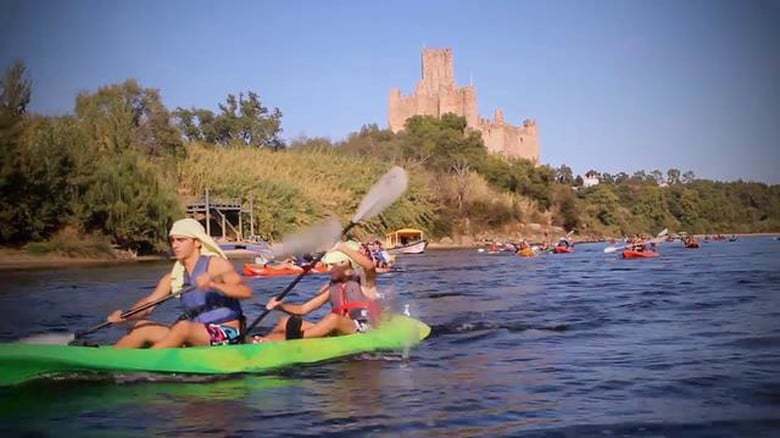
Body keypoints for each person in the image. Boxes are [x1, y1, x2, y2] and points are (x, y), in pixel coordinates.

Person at [108, 218, 252, 348]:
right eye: (172, 241)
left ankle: (149, 360)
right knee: (142, 327)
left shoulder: (216, 264)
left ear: (197, 242)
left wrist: (214, 285)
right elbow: (149, 304)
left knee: (183, 327)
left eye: (181, 240)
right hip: (194, 333)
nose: (175, 245)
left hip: (228, 334)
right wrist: (125, 316)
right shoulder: (174, 277)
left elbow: (246, 292)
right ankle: (111, 358)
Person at [255, 241, 380, 342]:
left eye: (332, 265)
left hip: (363, 329)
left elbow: (369, 266)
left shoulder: (364, 282)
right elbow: (303, 309)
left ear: (345, 264)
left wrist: (341, 247)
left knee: (333, 319)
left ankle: (291, 339)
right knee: (284, 322)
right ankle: (262, 343)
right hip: (337, 331)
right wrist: (280, 306)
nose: (329, 269)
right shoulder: (332, 287)